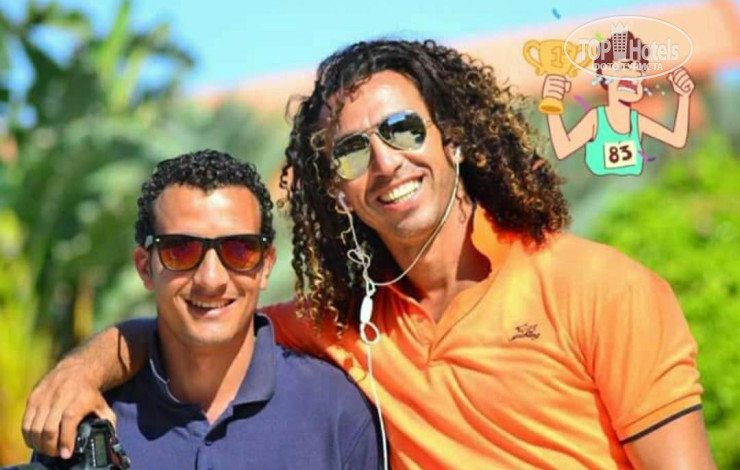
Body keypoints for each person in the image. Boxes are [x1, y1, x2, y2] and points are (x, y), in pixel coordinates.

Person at [23, 40, 715, 469]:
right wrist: (87, 366)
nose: (385, 162)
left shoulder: (600, 288)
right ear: (337, 190)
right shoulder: (344, 324)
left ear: (453, 139)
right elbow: (204, 318)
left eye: (403, 129)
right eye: (353, 150)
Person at [28, 150, 381, 469]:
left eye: (240, 250)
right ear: (145, 267)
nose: (211, 279)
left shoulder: (335, 413)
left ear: (266, 266)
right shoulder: (84, 419)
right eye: (180, 250)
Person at [542, 32, 695, 175]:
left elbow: (677, 139)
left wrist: (684, 97)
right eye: (625, 66)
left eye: (639, 71)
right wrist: (551, 106)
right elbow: (563, 148)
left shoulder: (636, 121)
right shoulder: (596, 119)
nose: (633, 77)